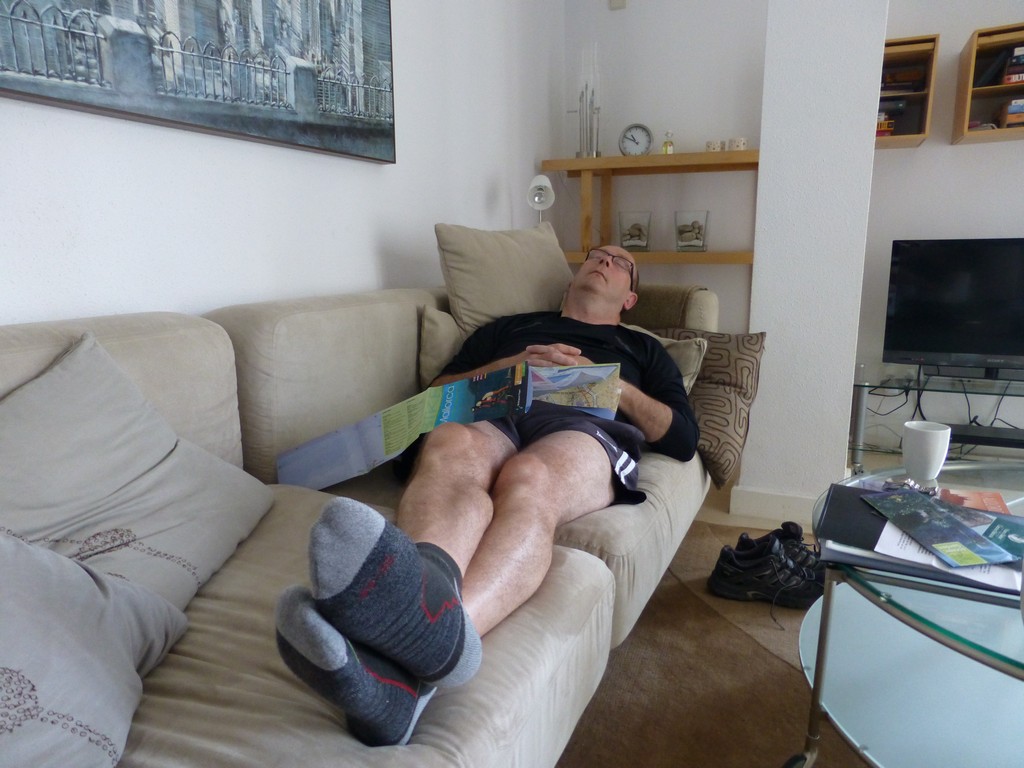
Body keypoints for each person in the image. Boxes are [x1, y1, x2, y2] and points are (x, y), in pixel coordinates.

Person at [275, 245, 700, 746]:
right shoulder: (511, 329)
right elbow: (437, 394)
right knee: (450, 444)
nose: (604, 261)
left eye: (621, 263)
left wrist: (617, 388)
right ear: (571, 280)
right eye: (595, 255)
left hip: (584, 426)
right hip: (495, 407)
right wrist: (509, 365)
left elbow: (681, 437)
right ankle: (417, 653)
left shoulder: (642, 349)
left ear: (629, 299)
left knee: (530, 477)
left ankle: (416, 652)